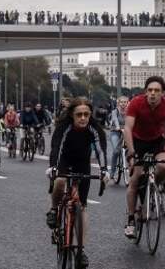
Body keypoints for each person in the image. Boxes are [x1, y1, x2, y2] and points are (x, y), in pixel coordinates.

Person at [46, 97, 109, 269]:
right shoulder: (64, 127)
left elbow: (100, 149)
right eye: (79, 114)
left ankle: (80, 250)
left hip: (82, 162)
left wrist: (104, 170)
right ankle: (53, 210)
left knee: (82, 207)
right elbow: (56, 148)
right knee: (60, 181)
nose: (82, 118)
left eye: (86, 115)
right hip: (64, 159)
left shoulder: (94, 128)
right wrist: (53, 168)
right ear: (72, 115)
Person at [123, 76, 165, 238]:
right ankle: (130, 219)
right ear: (145, 92)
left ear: (163, 93)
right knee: (135, 179)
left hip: (157, 140)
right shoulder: (136, 103)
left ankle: (152, 189)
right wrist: (132, 153)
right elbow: (127, 128)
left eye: (157, 91)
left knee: (164, 165)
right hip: (137, 142)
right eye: (150, 90)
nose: (153, 94)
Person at [108, 96, 128, 177]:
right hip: (115, 132)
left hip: (126, 132)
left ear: (127, 103)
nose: (123, 104)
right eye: (121, 102)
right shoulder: (115, 111)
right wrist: (118, 127)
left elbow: (132, 120)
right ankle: (112, 171)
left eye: (125, 102)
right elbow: (115, 119)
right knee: (116, 151)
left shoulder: (130, 112)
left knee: (131, 151)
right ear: (118, 103)